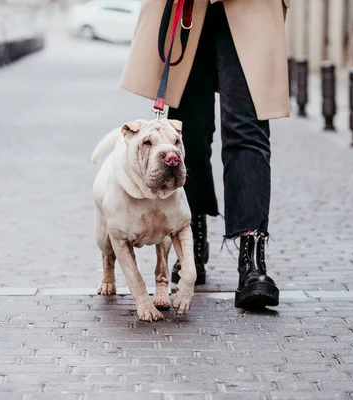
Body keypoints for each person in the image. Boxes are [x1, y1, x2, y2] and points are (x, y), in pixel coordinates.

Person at [120, 0, 291, 310]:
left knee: (247, 128)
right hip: (189, 8)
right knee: (191, 131)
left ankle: (253, 262)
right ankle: (191, 240)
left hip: (251, 6)